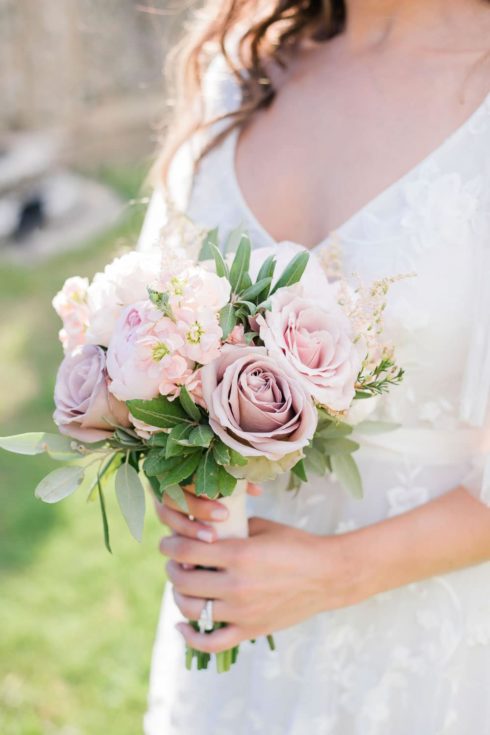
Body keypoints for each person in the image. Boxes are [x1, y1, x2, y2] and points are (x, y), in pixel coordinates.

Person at [139, 1, 490, 733]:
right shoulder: (237, 70)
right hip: (243, 636)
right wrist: (172, 455)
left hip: (434, 652)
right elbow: (150, 328)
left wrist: (336, 573)